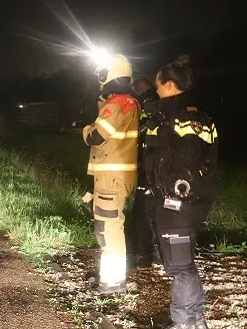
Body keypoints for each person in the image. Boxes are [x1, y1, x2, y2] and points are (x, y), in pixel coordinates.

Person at [144, 56, 218, 329]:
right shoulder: (170, 113)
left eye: (158, 85)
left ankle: (187, 322)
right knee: (180, 263)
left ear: (168, 84)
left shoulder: (186, 115)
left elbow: (188, 160)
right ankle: (193, 320)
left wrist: (175, 193)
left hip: (178, 203)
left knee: (180, 266)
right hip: (172, 203)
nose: (156, 89)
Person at [81, 53, 140, 294]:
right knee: (109, 226)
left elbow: (96, 136)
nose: (100, 79)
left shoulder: (116, 105)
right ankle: (111, 277)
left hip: (111, 177)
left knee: (108, 229)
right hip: (116, 175)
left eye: (102, 74)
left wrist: (85, 129)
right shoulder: (129, 103)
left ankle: (113, 282)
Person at [133, 78, 162, 267]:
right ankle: (151, 252)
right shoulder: (153, 103)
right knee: (149, 210)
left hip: (151, 166)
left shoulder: (151, 105)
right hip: (153, 166)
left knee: (145, 211)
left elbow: (142, 131)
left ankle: (147, 254)